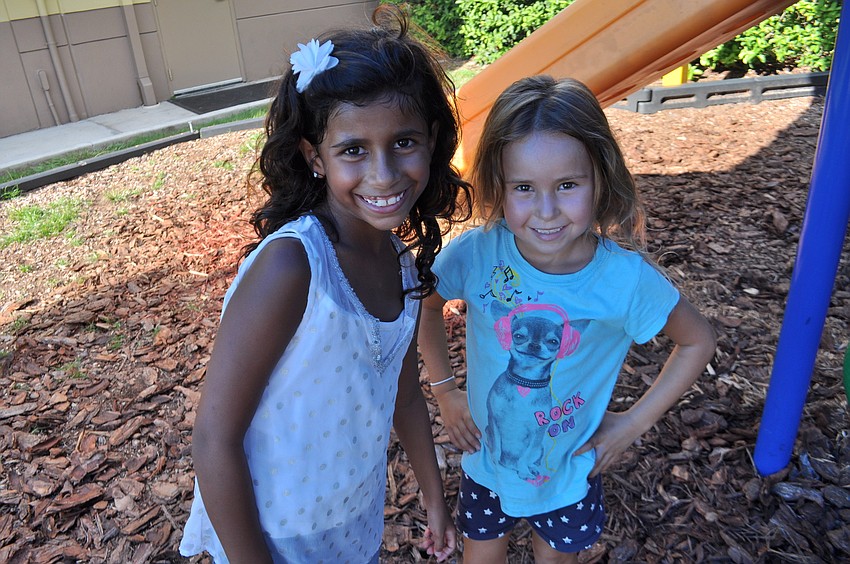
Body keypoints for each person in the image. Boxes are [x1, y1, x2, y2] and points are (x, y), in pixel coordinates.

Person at [179, 5, 471, 563]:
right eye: (353, 150)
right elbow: (213, 439)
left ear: (433, 141)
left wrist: (434, 498)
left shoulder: (401, 263)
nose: (383, 174)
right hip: (268, 535)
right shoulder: (293, 268)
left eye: (404, 143)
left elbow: (405, 392)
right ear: (315, 156)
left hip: (350, 520)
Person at [418, 75, 716, 563]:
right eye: (524, 188)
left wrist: (633, 423)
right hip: (486, 465)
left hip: (568, 476)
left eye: (567, 185)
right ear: (500, 184)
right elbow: (428, 304)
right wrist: (446, 390)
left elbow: (697, 341)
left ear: (600, 176)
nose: (547, 210)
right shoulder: (478, 253)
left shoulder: (622, 281)